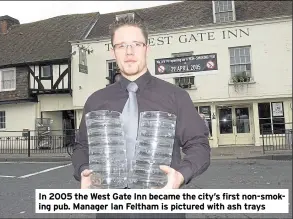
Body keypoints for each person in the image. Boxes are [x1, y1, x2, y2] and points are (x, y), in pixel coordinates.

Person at [71, 15, 211, 219]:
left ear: (147, 48)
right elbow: (82, 147)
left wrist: (180, 176)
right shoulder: (96, 101)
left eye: (136, 44)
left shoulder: (176, 97)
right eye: (121, 45)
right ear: (113, 51)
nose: (129, 52)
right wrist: (84, 170)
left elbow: (199, 145)